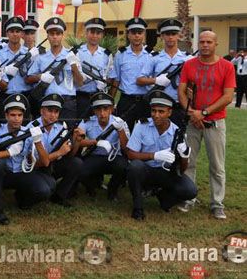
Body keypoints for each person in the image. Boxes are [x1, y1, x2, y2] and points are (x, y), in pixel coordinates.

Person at [178, 31, 236, 219]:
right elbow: (181, 91)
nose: (204, 45)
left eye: (208, 42)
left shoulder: (226, 66)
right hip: (192, 122)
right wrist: (192, 114)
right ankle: (188, 198)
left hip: (215, 123)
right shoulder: (189, 64)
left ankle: (217, 203)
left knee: (217, 166)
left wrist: (203, 113)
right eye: (201, 41)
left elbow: (228, 96)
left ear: (216, 44)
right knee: (188, 162)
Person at [0, 94, 52, 225]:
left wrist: (38, 141)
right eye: (13, 115)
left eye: (19, 115)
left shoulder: (28, 132)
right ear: (6, 116)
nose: (16, 119)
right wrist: (8, 153)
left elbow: (45, 162)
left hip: (21, 173)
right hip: (3, 175)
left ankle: (23, 201)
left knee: (45, 190)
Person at [126, 91, 198, 220]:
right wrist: (154, 156)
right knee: (135, 167)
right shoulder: (141, 126)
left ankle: (160, 193)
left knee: (190, 190)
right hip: (145, 170)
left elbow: (181, 170)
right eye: (153, 111)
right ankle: (138, 207)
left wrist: (184, 156)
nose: (156, 115)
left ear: (169, 112)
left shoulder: (177, 132)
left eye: (161, 111)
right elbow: (130, 154)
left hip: (165, 173)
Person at [25, 17, 84, 119]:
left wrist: (74, 65)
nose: (55, 37)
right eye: (52, 34)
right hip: (48, 102)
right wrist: (40, 76)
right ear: (47, 36)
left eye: (58, 34)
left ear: (62, 36)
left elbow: (80, 83)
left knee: (67, 133)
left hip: (68, 103)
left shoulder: (72, 56)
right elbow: (28, 79)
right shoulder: (41, 57)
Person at [77, 92, 129, 200]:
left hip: (114, 157)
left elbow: (126, 148)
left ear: (111, 109)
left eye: (105, 109)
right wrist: (94, 142)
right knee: (80, 170)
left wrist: (120, 130)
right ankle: (91, 188)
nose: (102, 113)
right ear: (94, 110)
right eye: (98, 109)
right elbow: (78, 141)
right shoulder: (87, 121)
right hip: (94, 156)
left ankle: (112, 190)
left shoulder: (119, 122)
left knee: (123, 167)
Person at [137, 19, 190, 124]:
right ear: (161, 36)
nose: (170, 37)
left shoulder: (187, 58)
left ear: (178, 36)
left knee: (179, 138)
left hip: (179, 105)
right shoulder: (154, 58)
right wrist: (155, 80)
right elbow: (139, 80)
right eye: (167, 34)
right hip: (160, 106)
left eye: (174, 34)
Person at [35, 94, 84, 207]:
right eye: (50, 111)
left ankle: (59, 196)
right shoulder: (32, 128)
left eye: (56, 111)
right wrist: (59, 153)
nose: (53, 115)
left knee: (76, 163)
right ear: (42, 111)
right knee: (47, 187)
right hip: (36, 167)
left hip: (52, 164)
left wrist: (77, 141)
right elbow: (35, 162)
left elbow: (70, 154)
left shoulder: (62, 127)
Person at [108, 17, 153, 131]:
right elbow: (116, 80)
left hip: (145, 101)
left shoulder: (151, 55)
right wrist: (110, 103)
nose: (136, 36)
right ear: (128, 35)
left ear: (144, 34)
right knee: (124, 133)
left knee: (146, 134)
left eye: (139, 32)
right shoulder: (121, 54)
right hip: (126, 101)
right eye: (133, 32)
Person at [76, 18, 110, 119]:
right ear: (86, 33)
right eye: (92, 32)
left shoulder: (106, 55)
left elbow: (109, 75)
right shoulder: (77, 52)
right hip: (81, 97)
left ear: (102, 35)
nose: (95, 36)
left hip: (98, 96)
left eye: (98, 33)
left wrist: (104, 84)